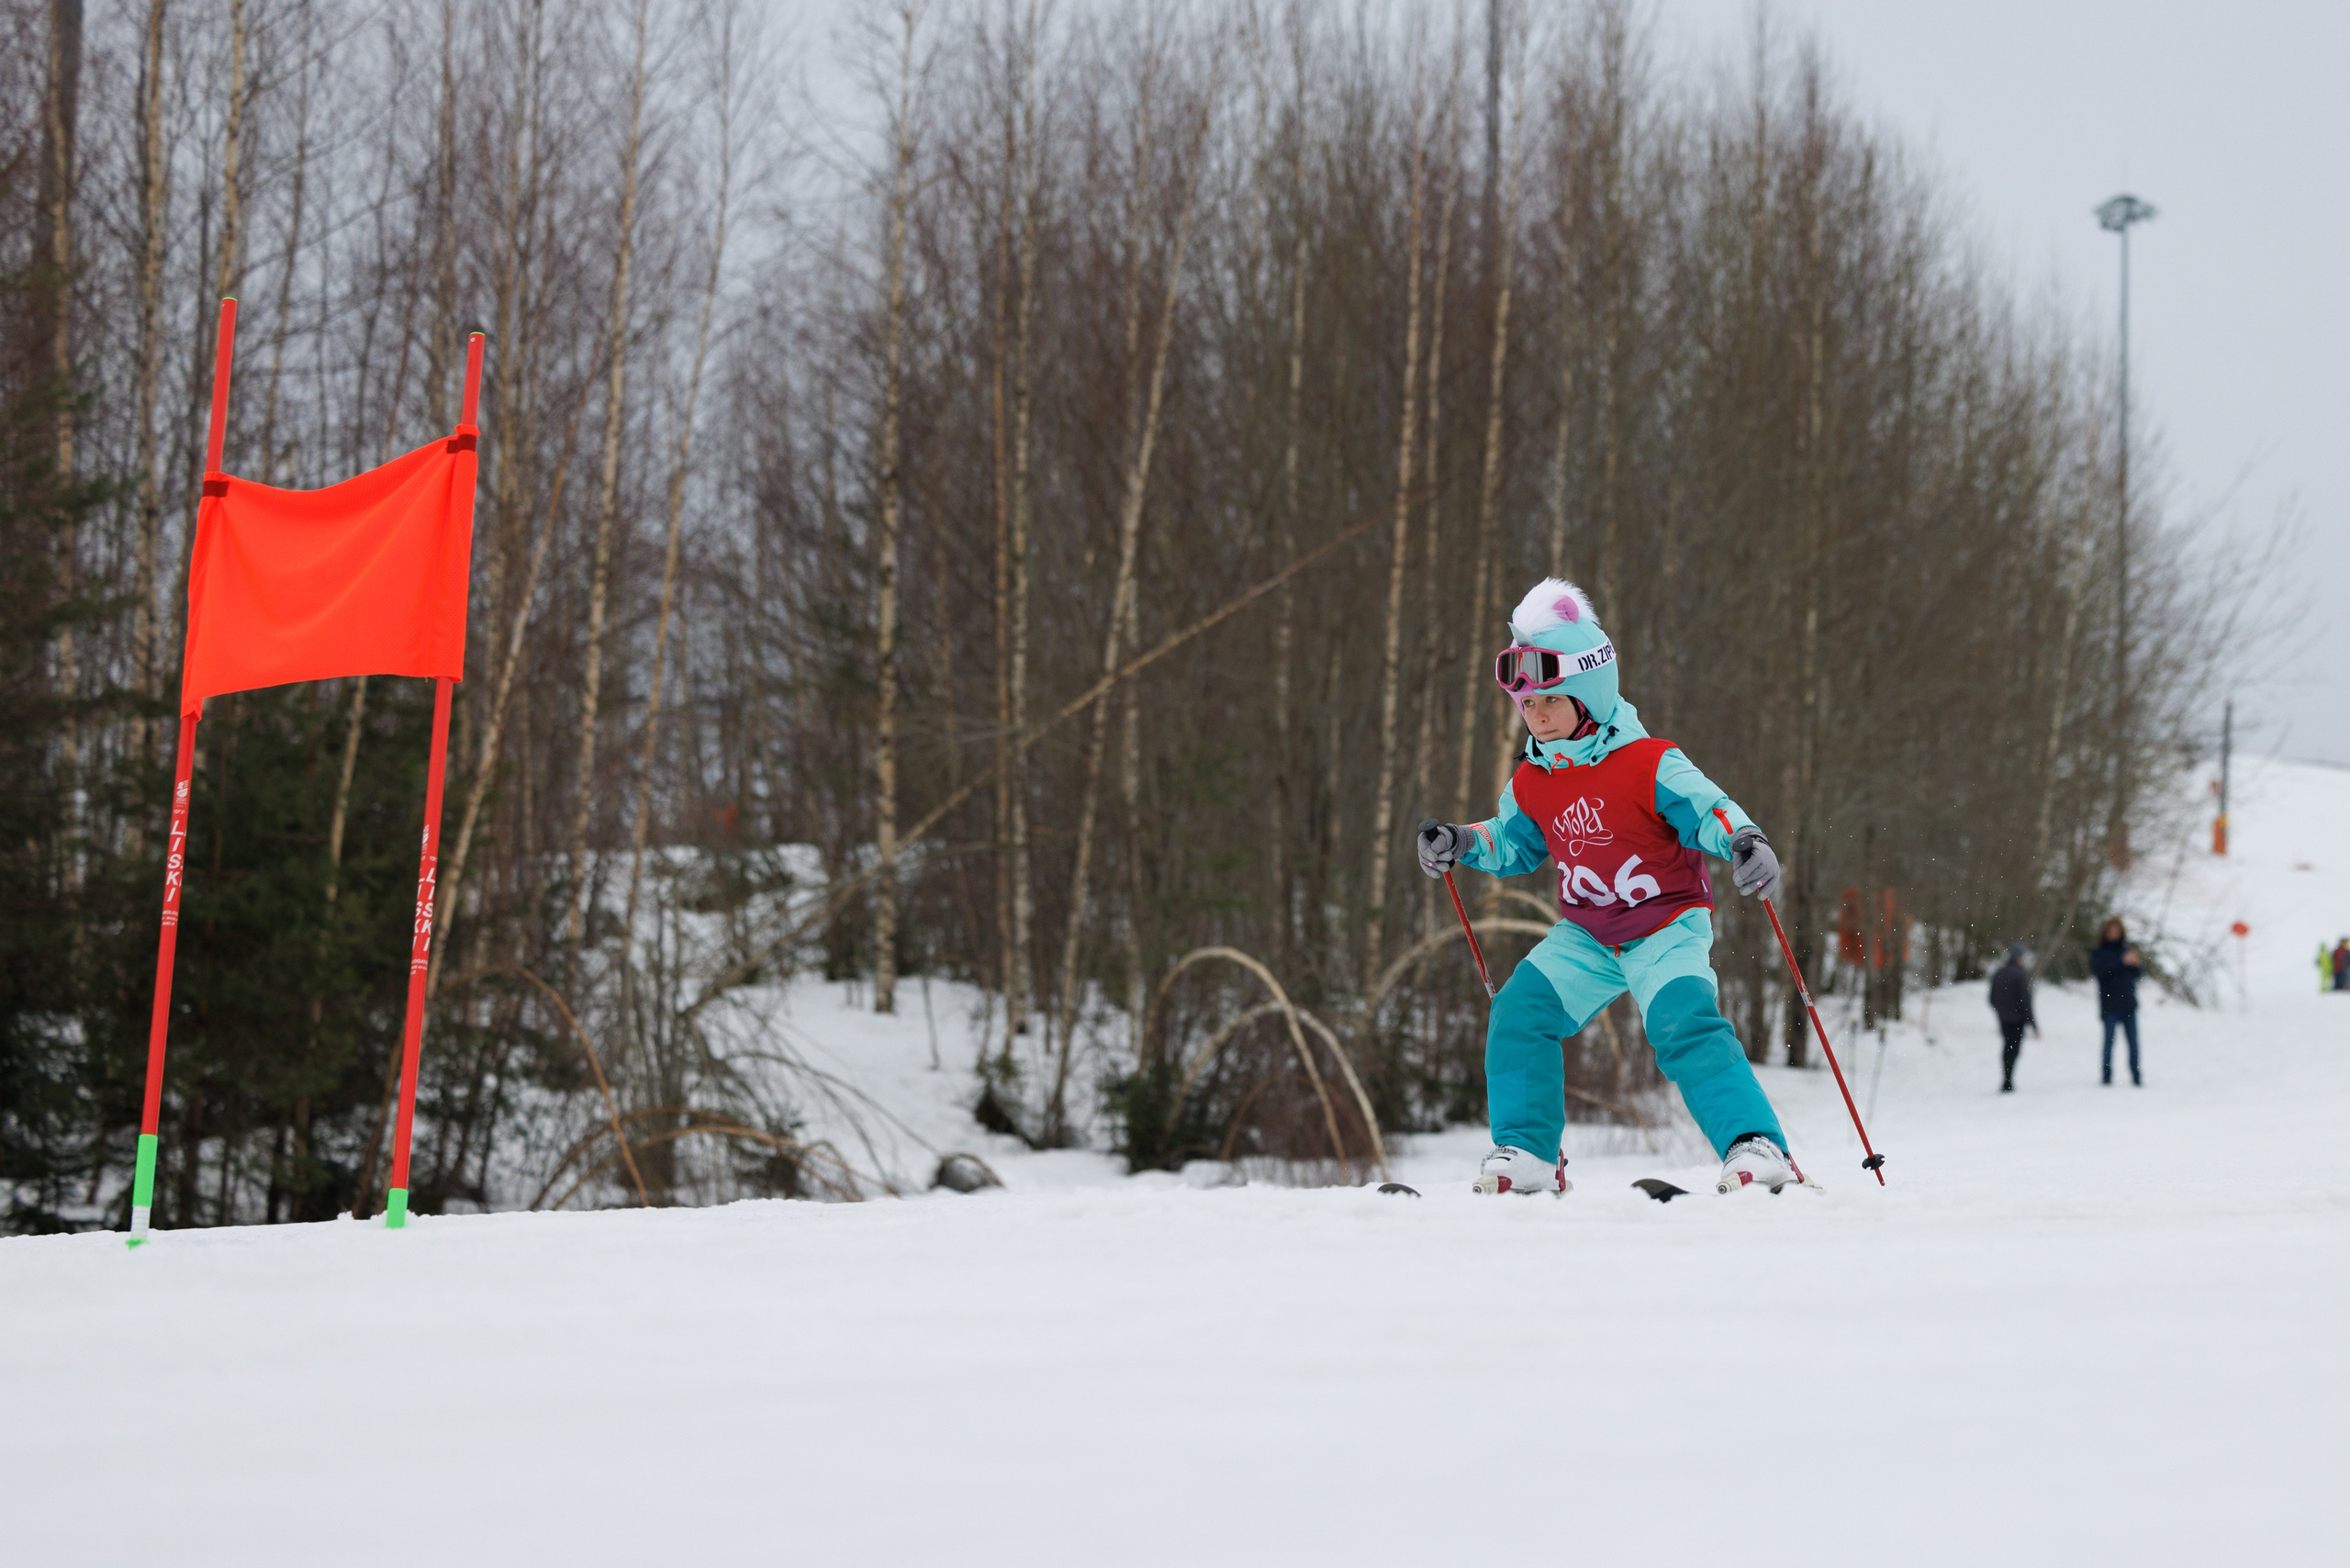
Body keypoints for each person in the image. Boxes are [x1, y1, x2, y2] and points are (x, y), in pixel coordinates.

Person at [1416, 577, 1804, 1197]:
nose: (1536, 715)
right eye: (1527, 705)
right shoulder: (1533, 781)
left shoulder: (1648, 763)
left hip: (1665, 926)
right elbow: (1515, 843)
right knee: (1519, 1011)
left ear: (1588, 694)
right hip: (1588, 935)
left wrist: (1746, 842)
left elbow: (1712, 810)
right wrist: (1461, 841)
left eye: (1550, 700)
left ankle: (1756, 1146)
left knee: (1683, 1022)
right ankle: (1531, 1155)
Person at [2087, 917, 2143, 1086]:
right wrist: (2122, 962)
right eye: (2111, 931)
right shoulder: (2099, 952)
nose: (2114, 934)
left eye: (2117, 932)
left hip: (2128, 1004)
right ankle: (2106, 1075)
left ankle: (2136, 1075)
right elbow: (2102, 972)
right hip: (2110, 1005)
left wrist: (2135, 965)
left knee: (2133, 1043)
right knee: (2108, 1043)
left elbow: (2137, 974)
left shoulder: (2126, 950)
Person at [1988, 943, 2038, 1092]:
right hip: (2018, 1019)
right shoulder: (2020, 974)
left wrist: (2001, 1010)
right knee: (2013, 1048)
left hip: (2004, 1018)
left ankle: (2007, 1077)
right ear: (2018, 958)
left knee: (2007, 1046)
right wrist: (2032, 1022)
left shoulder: (1999, 973)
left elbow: (1992, 998)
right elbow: (2025, 1001)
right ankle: (2008, 1079)